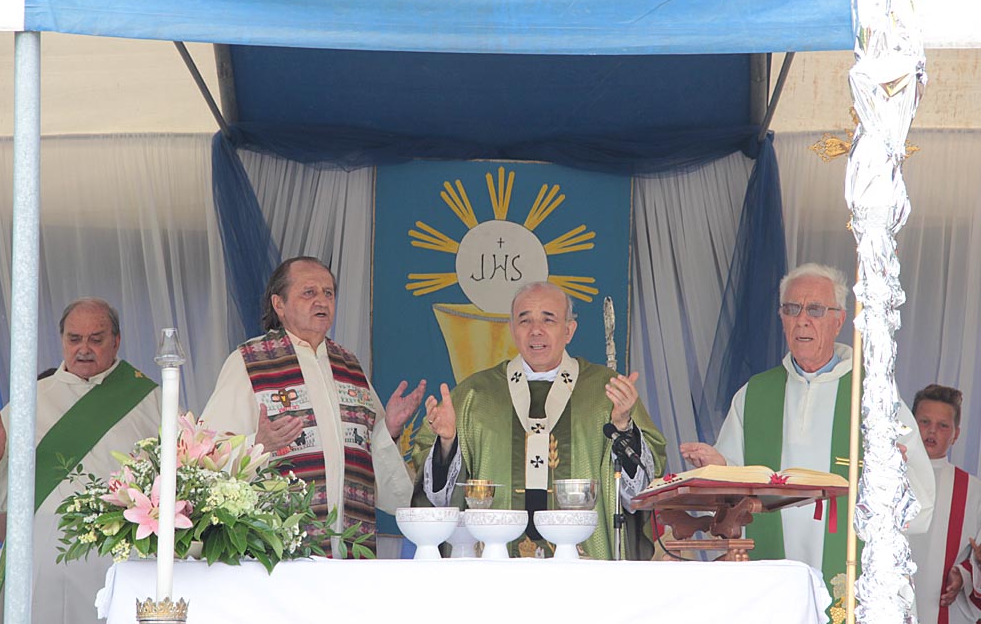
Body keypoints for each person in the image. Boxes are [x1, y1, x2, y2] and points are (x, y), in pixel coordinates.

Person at [680, 263, 934, 588]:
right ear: (782, 318)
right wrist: (719, 467)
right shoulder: (754, 394)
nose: (802, 319)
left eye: (815, 309)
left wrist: (894, 473)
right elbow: (735, 483)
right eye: (792, 309)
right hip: (771, 572)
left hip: (850, 571)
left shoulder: (873, 394)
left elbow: (920, 503)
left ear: (839, 320)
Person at [413, 281, 667, 559]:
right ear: (512, 329)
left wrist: (623, 427)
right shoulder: (475, 395)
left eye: (548, 319)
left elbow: (641, 490)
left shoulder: (606, 392)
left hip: (584, 561)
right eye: (525, 320)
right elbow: (437, 496)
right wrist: (447, 443)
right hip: (495, 561)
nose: (536, 330)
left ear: (569, 330)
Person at [202, 256, 424, 557]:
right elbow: (208, 452)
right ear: (279, 304)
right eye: (309, 292)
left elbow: (368, 453)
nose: (322, 300)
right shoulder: (250, 361)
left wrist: (390, 429)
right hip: (279, 548)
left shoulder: (349, 365)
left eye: (328, 293)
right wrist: (258, 444)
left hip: (348, 543)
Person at [0, 298, 164, 624]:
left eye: (96, 339)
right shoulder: (30, 399)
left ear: (116, 341)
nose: (84, 349)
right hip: (41, 562)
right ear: (62, 340)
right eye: (74, 339)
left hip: (117, 561)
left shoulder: (149, 400)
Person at [909, 384, 981, 624]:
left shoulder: (973, 491)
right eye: (924, 422)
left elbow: (977, 556)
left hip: (944, 610)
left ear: (956, 434)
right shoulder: (886, 479)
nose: (932, 431)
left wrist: (963, 576)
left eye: (943, 426)